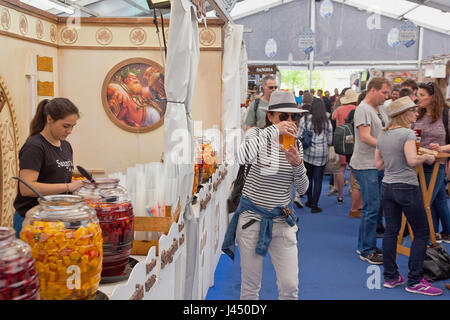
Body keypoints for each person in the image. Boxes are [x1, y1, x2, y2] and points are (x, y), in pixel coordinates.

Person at [222, 90, 309, 300]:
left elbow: (303, 189)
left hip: (282, 220)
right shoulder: (257, 136)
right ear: (270, 116)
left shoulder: (296, 144)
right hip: (252, 220)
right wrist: (274, 131)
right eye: (283, 116)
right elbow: (242, 157)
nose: (290, 121)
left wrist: (297, 164)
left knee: (290, 287)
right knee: (251, 287)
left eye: (294, 116)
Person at [375, 96, 442, 296]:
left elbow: (379, 164)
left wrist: (396, 158)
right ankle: (415, 281)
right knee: (421, 232)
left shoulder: (383, 134)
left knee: (391, 232)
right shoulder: (408, 134)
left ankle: (390, 276)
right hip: (406, 186)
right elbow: (413, 160)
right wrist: (428, 157)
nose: (416, 113)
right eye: (413, 111)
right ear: (404, 114)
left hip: (387, 186)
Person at [13, 98, 85, 238]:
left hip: (55, 219)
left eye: (73, 126)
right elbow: (26, 188)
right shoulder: (34, 147)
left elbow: (58, 178)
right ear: (49, 119)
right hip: (32, 220)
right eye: (65, 126)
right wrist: (68, 187)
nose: (69, 131)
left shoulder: (66, 146)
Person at [350, 77, 391, 264]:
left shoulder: (380, 109)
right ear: (372, 90)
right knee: (372, 208)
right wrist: (390, 145)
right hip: (365, 165)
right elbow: (365, 137)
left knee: (374, 208)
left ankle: (365, 245)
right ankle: (367, 249)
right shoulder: (362, 110)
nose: (386, 96)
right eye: (384, 92)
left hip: (378, 164)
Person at [412, 81, 450, 243]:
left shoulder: (446, 114)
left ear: (433, 97)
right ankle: (433, 237)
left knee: (425, 204)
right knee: (435, 202)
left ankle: (427, 240)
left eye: (422, 95)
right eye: (417, 94)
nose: (418, 98)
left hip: (436, 165)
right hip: (417, 164)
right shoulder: (417, 114)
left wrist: (441, 148)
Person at [298, 98, 333, 213]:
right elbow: (329, 139)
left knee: (308, 177)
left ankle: (309, 200)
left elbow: (299, 135)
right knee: (318, 180)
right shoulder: (326, 121)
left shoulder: (305, 119)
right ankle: (315, 205)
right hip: (322, 153)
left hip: (308, 152)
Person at [331, 89, 359, 203]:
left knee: (341, 169)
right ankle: (352, 190)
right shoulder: (358, 109)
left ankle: (340, 195)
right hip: (355, 141)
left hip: (341, 141)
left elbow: (334, 119)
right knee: (352, 169)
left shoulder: (339, 109)